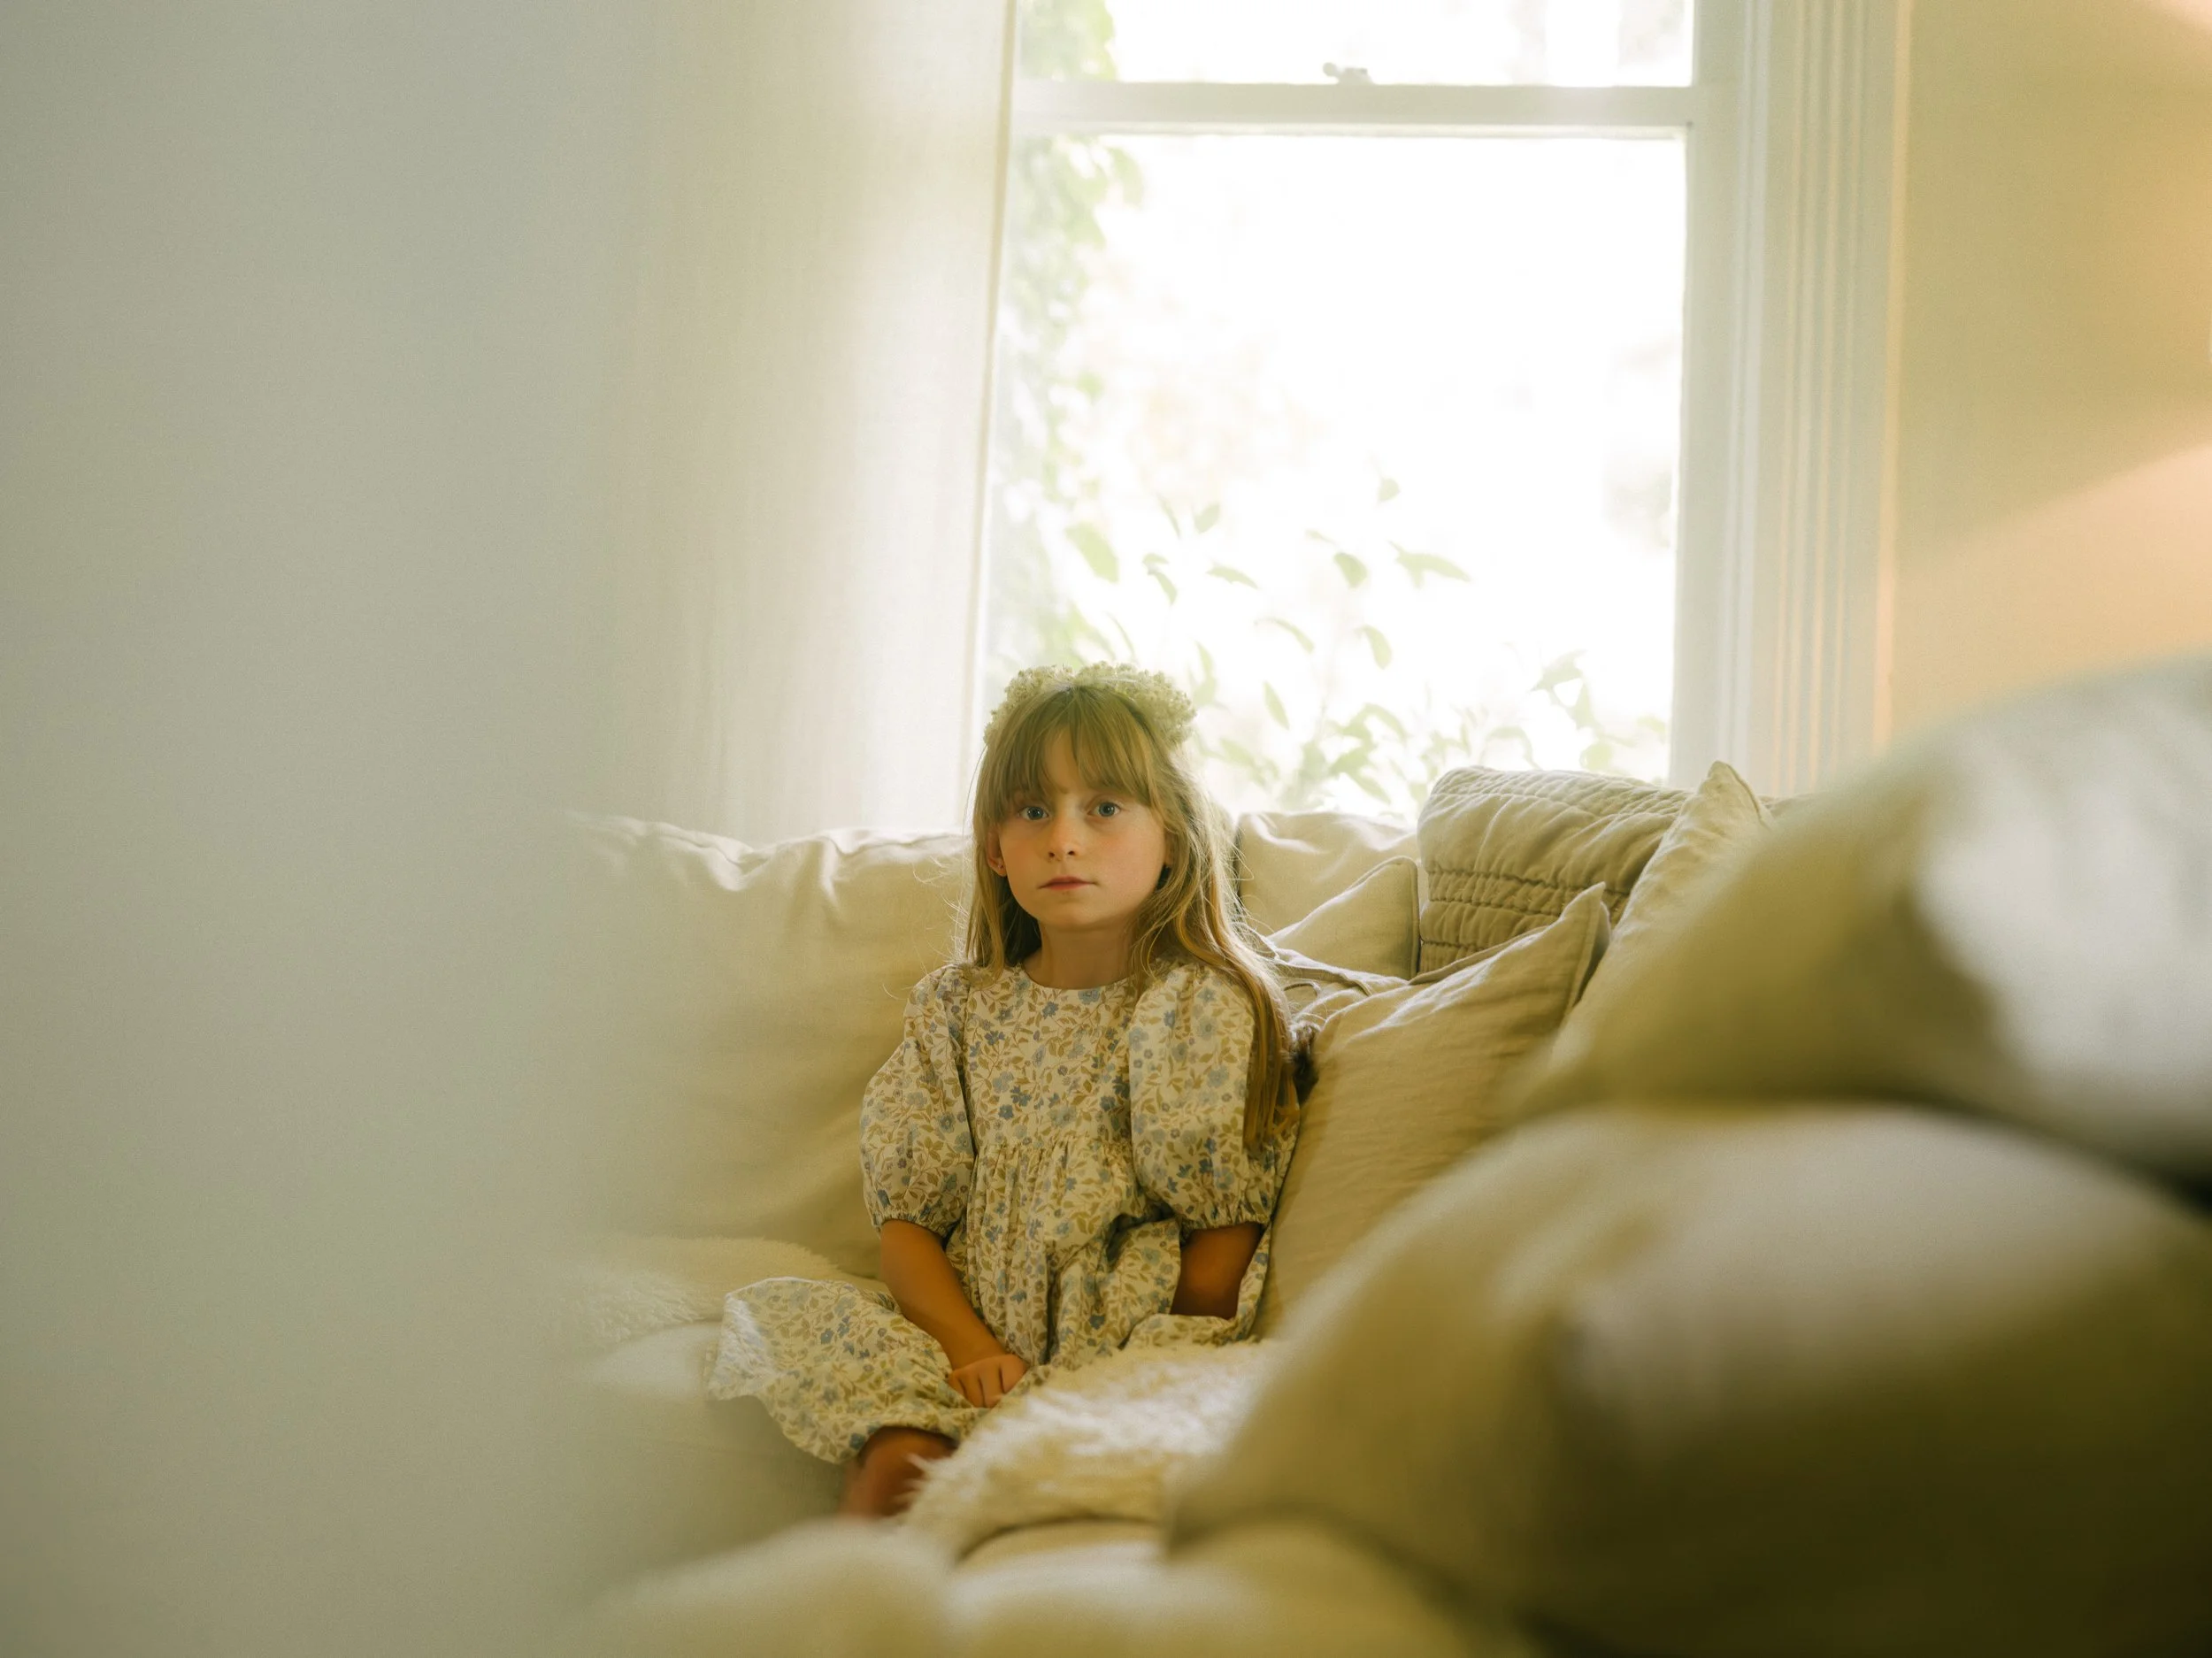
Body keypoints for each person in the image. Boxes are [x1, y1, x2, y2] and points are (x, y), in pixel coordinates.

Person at [708, 663, 1299, 1517]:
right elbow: (909, 1229)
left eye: (1104, 807)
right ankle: (846, 1593)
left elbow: (1222, 1235)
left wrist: (1138, 1371)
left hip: (1121, 1352)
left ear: (1172, 834)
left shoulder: (1195, 1007)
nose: (1064, 839)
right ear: (994, 847)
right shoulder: (957, 1011)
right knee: (896, 1457)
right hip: (962, 1340)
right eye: (1032, 811)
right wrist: (970, 1348)